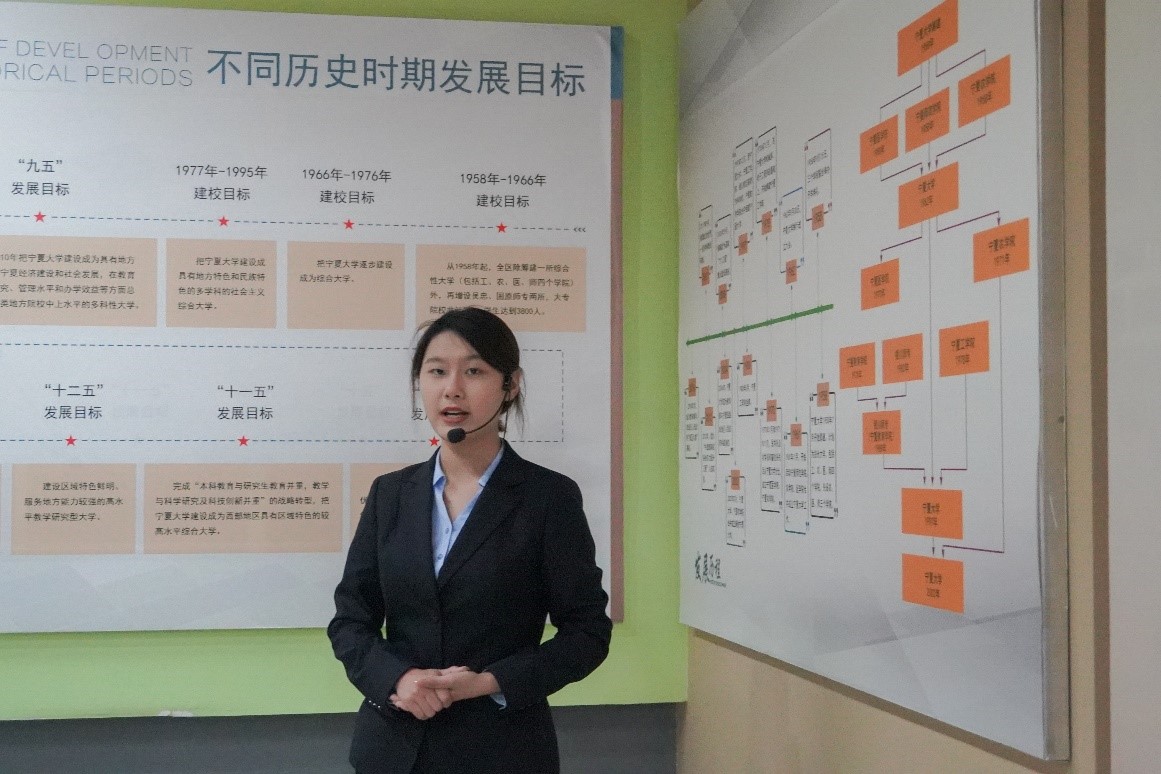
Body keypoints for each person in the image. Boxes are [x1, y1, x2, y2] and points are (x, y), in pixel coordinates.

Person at [328, 306, 612, 774]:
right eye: (437, 371)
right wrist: (399, 678)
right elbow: (350, 621)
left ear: (511, 385)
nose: (452, 388)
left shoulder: (548, 497)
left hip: (502, 749)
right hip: (394, 748)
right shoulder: (390, 494)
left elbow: (587, 633)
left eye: (474, 371)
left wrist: (487, 682)